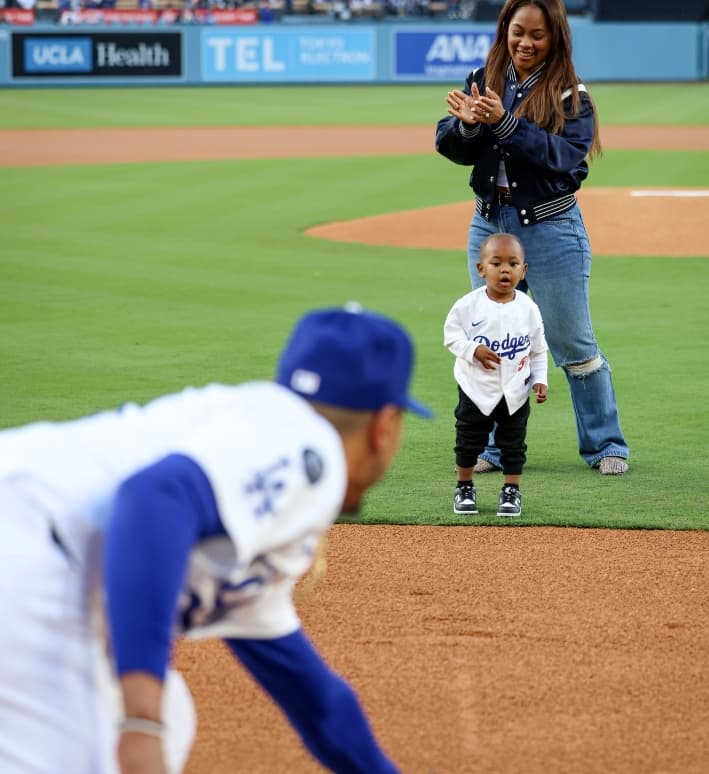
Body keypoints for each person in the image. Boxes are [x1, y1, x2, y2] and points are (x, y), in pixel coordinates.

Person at [0, 304, 433, 774]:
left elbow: (317, 702)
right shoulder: (311, 449)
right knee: (122, 738)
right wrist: (141, 723)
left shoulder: (254, 455)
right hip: (29, 551)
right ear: (383, 425)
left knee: (173, 716)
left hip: (28, 543)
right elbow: (153, 496)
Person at [435, 0, 629, 476]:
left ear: (556, 37)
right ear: (505, 30)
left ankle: (606, 445)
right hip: (490, 225)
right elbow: (452, 145)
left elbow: (563, 158)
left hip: (551, 229)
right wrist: (465, 126)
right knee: (497, 337)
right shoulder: (486, 76)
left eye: (537, 35)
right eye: (517, 31)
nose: (525, 43)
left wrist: (502, 123)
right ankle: (497, 449)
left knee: (571, 342)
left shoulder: (570, 95)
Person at [444, 232, 548, 517]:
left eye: (513, 264)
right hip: (475, 388)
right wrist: (472, 349)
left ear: (523, 271)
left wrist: (540, 379)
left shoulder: (528, 308)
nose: (505, 269)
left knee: (513, 443)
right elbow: (450, 336)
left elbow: (538, 350)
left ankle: (511, 490)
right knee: (468, 440)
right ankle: (464, 486)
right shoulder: (467, 305)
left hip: (515, 390)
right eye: (496, 263)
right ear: (481, 269)